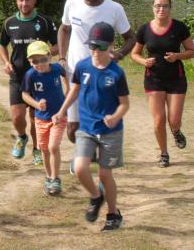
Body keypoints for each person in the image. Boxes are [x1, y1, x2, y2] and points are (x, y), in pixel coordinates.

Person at [53, 22, 130, 232]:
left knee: (105, 175)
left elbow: (125, 104)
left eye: (101, 47)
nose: (96, 51)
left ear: (112, 45)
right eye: (93, 46)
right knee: (79, 168)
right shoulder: (82, 66)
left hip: (110, 132)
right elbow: (74, 91)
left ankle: (113, 214)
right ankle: (96, 197)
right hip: (86, 128)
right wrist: (62, 111)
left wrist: (115, 117)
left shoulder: (116, 73)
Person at [57, 0, 134, 163]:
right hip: (76, 70)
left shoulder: (114, 8)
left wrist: (119, 54)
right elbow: (64, 29)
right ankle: (87, 154)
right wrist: (62, 56)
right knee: (73, 129)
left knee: (102, 124)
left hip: (102, 73)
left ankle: (100, 161)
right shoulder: (71, 3)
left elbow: (130, 38)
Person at [131, 0, 194, 167]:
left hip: (176, 78)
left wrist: (178, 56)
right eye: (158, 6)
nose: (161, 9)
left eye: (165, 6)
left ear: (170, 8)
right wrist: (144, 61)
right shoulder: (144, 29)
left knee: (173, 120)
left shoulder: (179, 27)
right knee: (159, 119)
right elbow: (134, 54)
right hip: (153, 79)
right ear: (152, 7)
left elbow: (191, 51)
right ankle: (164, 153)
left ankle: (176, 131)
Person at [0, 0, 58, 164]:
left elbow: (57, 45)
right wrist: (6, 62)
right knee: (17, 117)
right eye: (21, 0)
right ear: (17, 1)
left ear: (34, 0)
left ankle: (37, 148)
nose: (24, 4)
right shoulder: (9, 23)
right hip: (17, 76)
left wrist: (47, 55)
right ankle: (22, 137)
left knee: (35, 118)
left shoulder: (45, 22)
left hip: (38, 77)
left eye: (28, 0)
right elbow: (1, 44)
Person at [21, 41, 68, 195]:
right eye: (35, 61)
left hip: (58, 116)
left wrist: (67, 92)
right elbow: (24, 94)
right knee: (44, 150)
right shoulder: (30, 75)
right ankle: (49, 177)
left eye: (43, 59)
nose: (39, 64)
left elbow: (65, 74)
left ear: (49, 56)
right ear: (30, 61)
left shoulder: (56, 69)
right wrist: (35, 104)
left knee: (53, 147)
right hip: (41, 118)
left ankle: (55, 179)